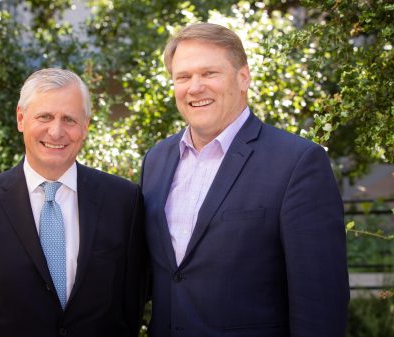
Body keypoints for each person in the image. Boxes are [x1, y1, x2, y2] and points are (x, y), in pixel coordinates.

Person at [141, 23, 349, 337]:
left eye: (210, 73)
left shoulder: (297, 163)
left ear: (243, 78)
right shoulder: (156, 161)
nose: (195, 87)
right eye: (183, 77)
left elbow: (320, 301)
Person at [0, 68, 146, 337]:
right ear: (21, 118)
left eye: (69, 119)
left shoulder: (124, 202)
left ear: (85, 126)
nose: (56, 131)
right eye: (45, 116)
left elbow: (131, 305)